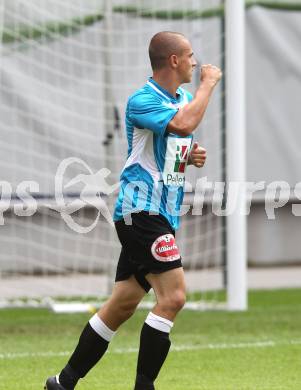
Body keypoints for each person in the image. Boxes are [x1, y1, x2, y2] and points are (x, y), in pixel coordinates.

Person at [45, 31, 222, 390]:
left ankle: (62, 383)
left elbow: (171, 160)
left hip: (159, 214)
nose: (194, 61)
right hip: (141, 213)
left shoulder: (182, 99)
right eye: (189, 55)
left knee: (122, 305)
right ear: (173, 60)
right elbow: (184, 124)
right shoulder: (142, 100)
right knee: (173, 297)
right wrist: (210, 83)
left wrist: (190, 156)